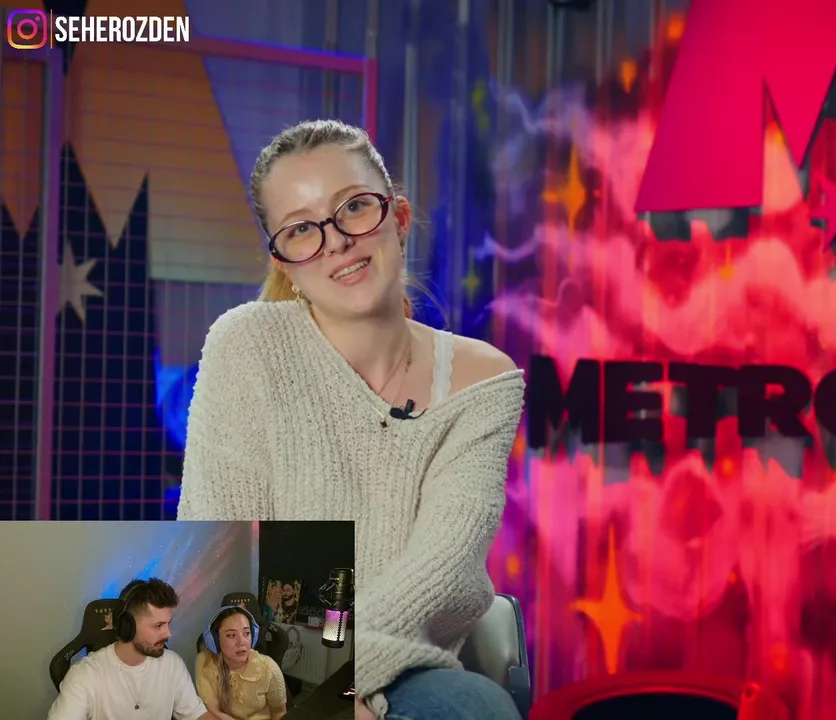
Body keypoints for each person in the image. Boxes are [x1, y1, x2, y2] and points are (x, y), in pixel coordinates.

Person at [176, 119, 525, 720]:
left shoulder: (484, 380)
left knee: (475, 707)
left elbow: (440, 569)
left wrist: (335, 689)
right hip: (264, 655)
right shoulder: (245, 345)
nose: (335, 240)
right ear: (284, 262)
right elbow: (220, 542)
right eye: (301, 229)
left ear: (399, 218)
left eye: (354, 208)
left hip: (401, 663)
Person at [49, 578, 213, 720]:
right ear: (127, 627)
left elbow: (197, 715)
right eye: (158, 626)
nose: (168, 633)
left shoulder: (172, 665)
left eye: (168, 623)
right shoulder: (85, 675)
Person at [194, 606, 287, 720]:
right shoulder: (205, 661)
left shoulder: (268, 668)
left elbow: (279, 712)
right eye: (231, 635)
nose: (241, 642)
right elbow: (213, 709)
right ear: (215, 640)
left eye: (246, 633)